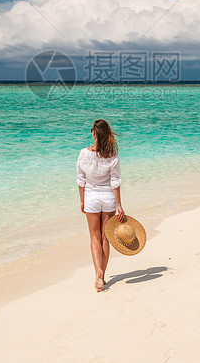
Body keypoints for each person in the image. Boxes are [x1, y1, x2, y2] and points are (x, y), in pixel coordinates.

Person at [77, 119, 126, 292]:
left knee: (94, 237)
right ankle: (102, 275)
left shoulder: (84, 153)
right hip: (108, 198)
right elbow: (115, 182)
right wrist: (119, 205)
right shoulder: (112, 154)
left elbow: (81, 180)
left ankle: (97, 270)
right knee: (106, 238)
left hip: (91, 196)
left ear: (93, 133)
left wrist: (82, 200)